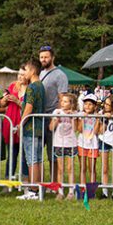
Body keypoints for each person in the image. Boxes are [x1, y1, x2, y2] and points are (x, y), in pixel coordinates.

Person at [17, 60, 45, 200]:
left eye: (26, 70)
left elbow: (28, 108)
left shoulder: (32, 87)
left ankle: (33, 191)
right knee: (38, 159)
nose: (24, 73)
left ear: (32, 71)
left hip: (30, 128)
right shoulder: (41, 86)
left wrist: (20, 124)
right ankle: (38, 189)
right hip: (40, 127)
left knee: (32, 160)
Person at [38, 46, 69, 177]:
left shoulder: (60, 75)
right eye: (41, 57)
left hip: (52, 118)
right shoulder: (40, 73)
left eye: (46, 57)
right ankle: (40, 181)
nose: (43, 59)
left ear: (52, 58)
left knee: (53, 153)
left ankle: (54, 181)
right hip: (39, 117)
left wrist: (56, 117)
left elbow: (62, 99)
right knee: (38, 152)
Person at [49, 92, 78, 200]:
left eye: (65, 101)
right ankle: (60, 191)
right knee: (60, 169)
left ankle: (71, 191)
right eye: (61, 101)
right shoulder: (57, 112)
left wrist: (72, 117)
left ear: (71, 104)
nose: (62, 103)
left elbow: (75, 129)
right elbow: (51, 128)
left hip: (70, 143)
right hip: (59, 142)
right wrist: (56, 119)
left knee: (70, 167)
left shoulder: (75, 113)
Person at [2, 71, 25, 180]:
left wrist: (17, 101)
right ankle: (8, 180)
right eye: (19, 74)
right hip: (11, 121)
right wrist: (4, 99)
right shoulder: (12, 86)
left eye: (23, 74)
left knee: (25, 155)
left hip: (23, 123)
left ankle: (26, 181)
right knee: (11, 154)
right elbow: (2, 104)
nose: (20, 77)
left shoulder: (30, 88)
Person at [76, 93, 102, 191]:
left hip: (93, 144)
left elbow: (95, 132)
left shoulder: (97, 116)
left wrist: (98, 120)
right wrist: (82, 119)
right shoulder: (81, 115)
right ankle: (83, 188)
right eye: (86, 104)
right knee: (83, 167)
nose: (87, 106)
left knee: (92, 168)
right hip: (82, 143)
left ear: (95, 106)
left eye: (90, 104)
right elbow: (79, 129)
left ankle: (91, 189)